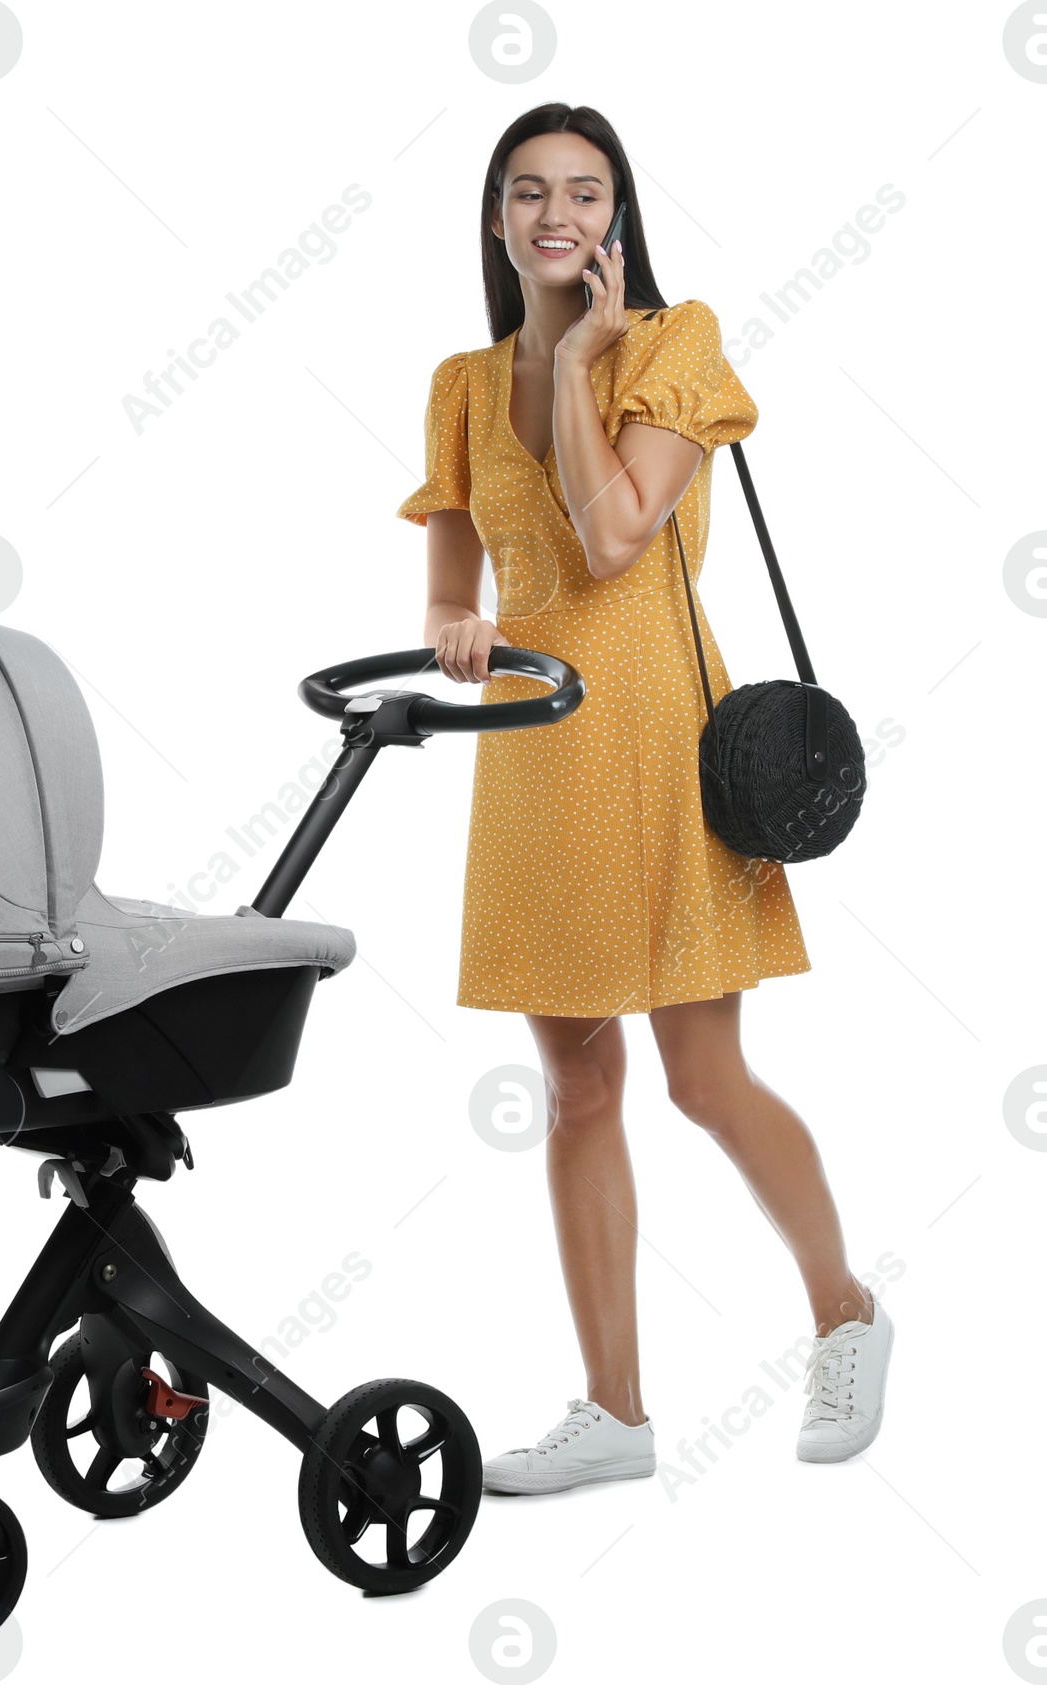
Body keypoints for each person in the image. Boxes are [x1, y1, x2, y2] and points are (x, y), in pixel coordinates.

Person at [397, 103, 891, 1492]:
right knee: (576, 1088)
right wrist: (455, 621)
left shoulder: (676, 344)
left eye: (586, 192)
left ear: (616, 218)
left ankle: (847, 1310)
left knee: (701, 1075)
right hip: (537, 748)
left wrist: (574, 370)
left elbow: (616, 537)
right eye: (530, 193)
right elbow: (453, 570)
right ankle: (614, 1409)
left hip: (663, 736)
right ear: (497, 219)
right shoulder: (458, 380)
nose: (559, 215)